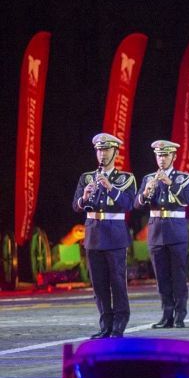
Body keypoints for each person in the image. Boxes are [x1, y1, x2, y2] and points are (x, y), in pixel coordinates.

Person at [73, 133, 137, 338]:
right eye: (99, 150)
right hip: (93, 234)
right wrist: (84, 198)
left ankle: (120, 322)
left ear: (115, 152)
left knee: (117, 282)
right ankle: (105, 324)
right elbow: (75, 206)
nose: (102, 154)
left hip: (115, 235)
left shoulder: (125, 178)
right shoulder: (86, 178)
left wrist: (110, 188)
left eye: (107, 150)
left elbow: (128, 205)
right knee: (99, 284)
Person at [135, 139, 189, 328]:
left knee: (178, 275)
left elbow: (188, 200)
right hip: (156, 231)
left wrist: (170, 184)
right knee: (161, 277)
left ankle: (179, 315)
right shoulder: (148, 178)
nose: (162, 159)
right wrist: (145, 193)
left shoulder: (183, 178)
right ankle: (166, 315)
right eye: (159, 155)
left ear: (174, 156)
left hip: (175, 230)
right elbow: (136, 204)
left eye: (166, 155)